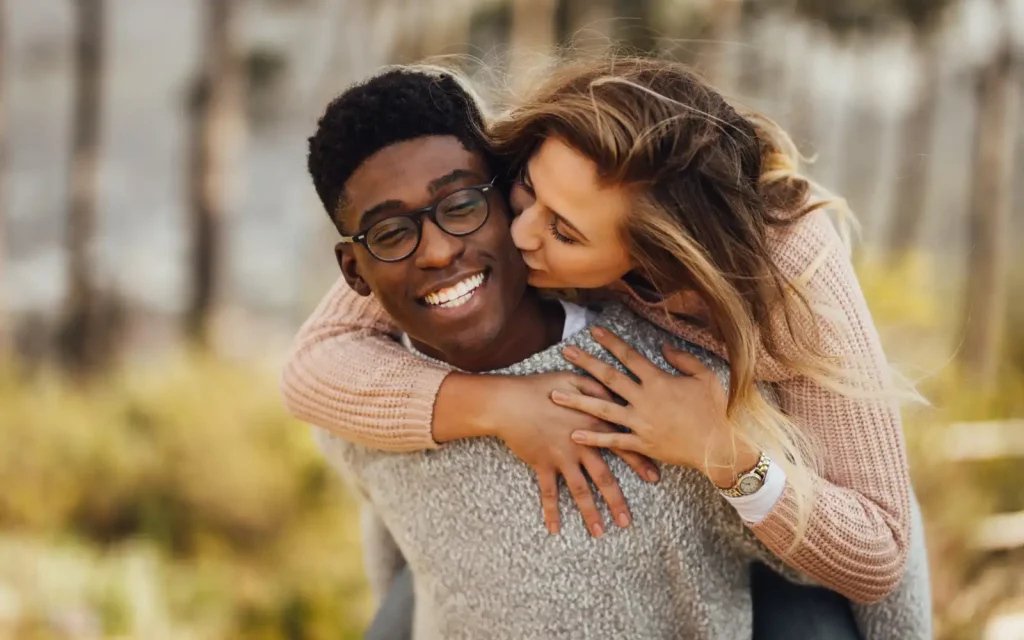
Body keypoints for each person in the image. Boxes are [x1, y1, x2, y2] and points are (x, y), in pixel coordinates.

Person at [300, 66, 916, 639]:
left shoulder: (789, 274)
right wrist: (499, 406)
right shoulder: (496, 185)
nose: (519, 234)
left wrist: (721, 451)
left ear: (653, 256)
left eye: (563, 232)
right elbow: (317, 359)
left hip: (793, 509)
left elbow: (884, 553)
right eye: (525, 194)